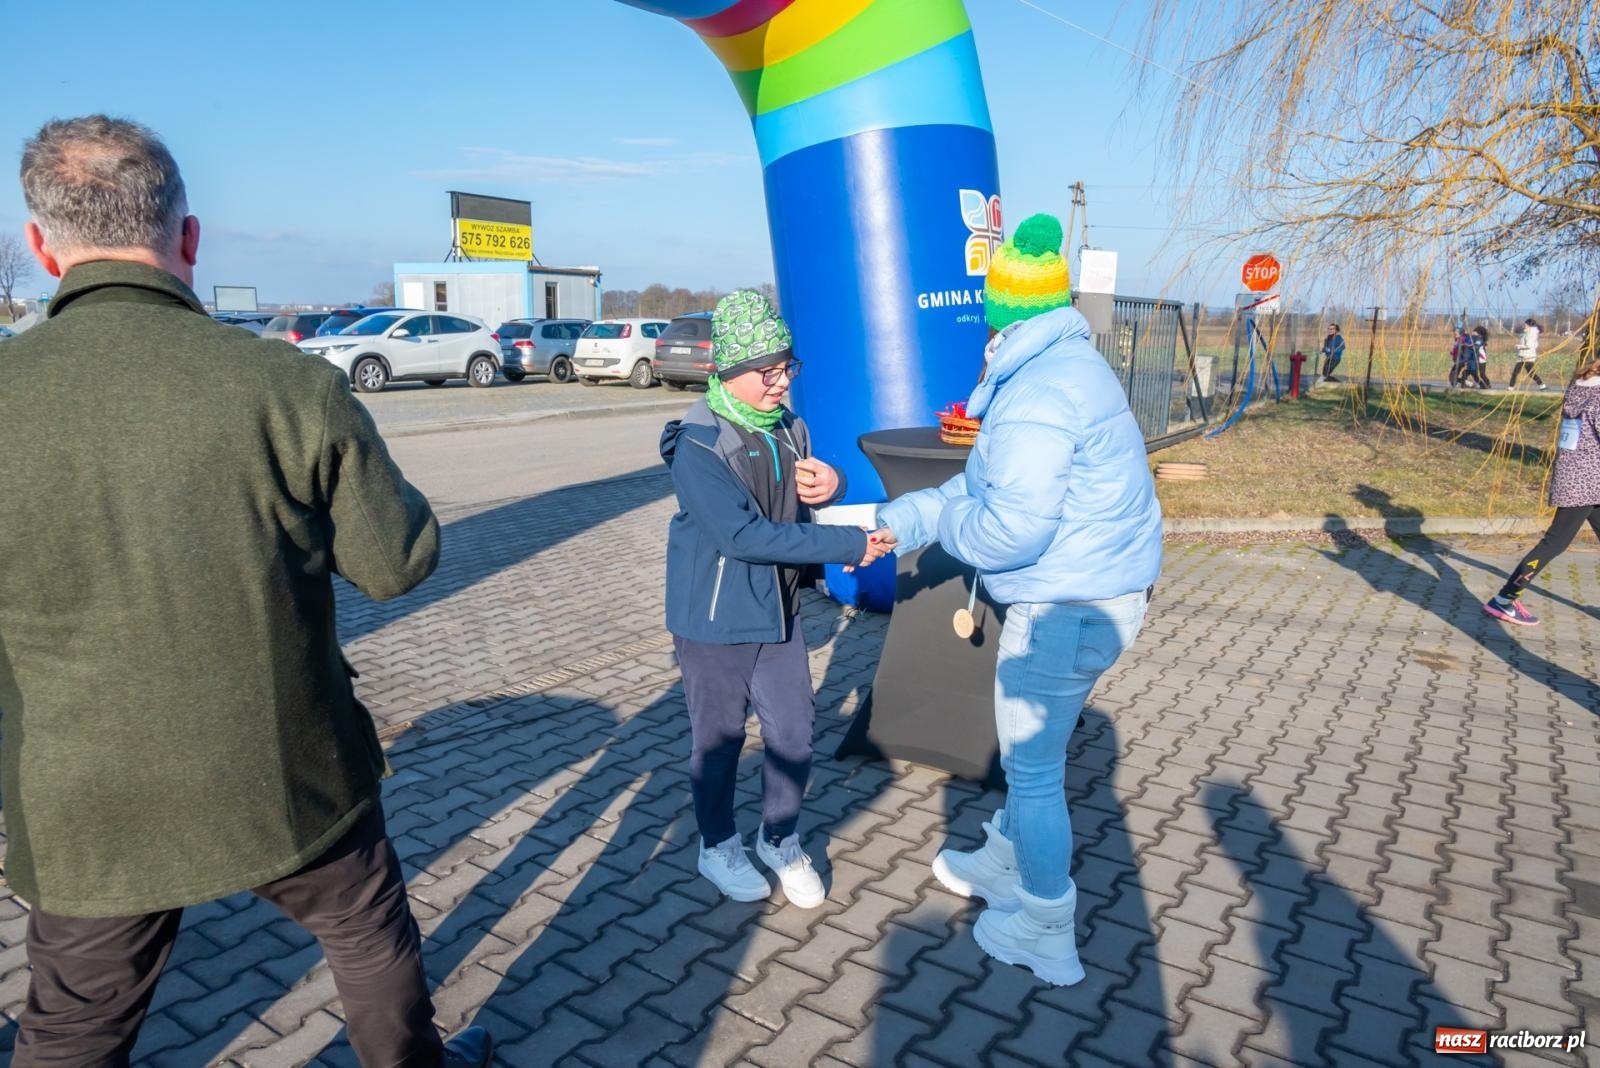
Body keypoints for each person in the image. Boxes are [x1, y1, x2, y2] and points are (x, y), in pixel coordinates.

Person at [1, 116, 491, 1067]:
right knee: (367, 937)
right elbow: (398, 562)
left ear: (39, 244)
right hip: (287, 771)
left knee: (72, 1027)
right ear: (188, 238)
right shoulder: (284, 383)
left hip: (80, 801)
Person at [876, 215, 1163, 985]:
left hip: (1065, 610)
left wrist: (950, 526)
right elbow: (981, 486)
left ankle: (1045, 927)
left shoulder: (1038, 394)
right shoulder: (1064, 366)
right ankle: (1006, 863)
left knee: (1033, 775)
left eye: (988, 314)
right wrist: (899, 520)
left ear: (1002, 316)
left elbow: (1007, 531)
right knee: (1031, 763)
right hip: (1093, 597)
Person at [660, 289, 889, 908]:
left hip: (778, 610)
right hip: (712, 619)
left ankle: (779, 838)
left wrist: (834, 482)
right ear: (731, 371)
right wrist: (848, 543)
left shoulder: (790, 427)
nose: (781, 382)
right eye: (768, 372)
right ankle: (717, 845)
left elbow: (803, 498)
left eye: (787, 367)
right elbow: (740, 535)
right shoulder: (697, 443)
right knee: (720, 737)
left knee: (793, 731)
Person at [1483, 351, 1600, 625]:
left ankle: (1504, 599)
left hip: (1581, 479)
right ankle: (1503, 599)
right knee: (1554, 543)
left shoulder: (1581, 388)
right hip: (1585, 483)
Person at [1509, 317, 1548, 390]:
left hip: (1528, 357)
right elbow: (1534, 345)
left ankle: (1542, 385)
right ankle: (1511, 387)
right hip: (1522, 356)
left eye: (1525, 324)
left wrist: (1519, 346)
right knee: (1516, 372)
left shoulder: (1531, 334)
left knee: (1530, 373)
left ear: (1529, 325)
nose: (1524, 325)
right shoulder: (1527, 333)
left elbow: (1529, 346)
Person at [1472, 324, 1492, 388]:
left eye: (1474, 331)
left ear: (1478, 333)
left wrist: (1469, 346)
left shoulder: (1479, 340)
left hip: (1481, 359)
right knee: (1474, 372)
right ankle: (1482, 385)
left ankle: (1488, 384)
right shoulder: (1476, 339)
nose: (1472, 332)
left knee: (1482, 374)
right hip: (1477, 359)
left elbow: (1475, 347)